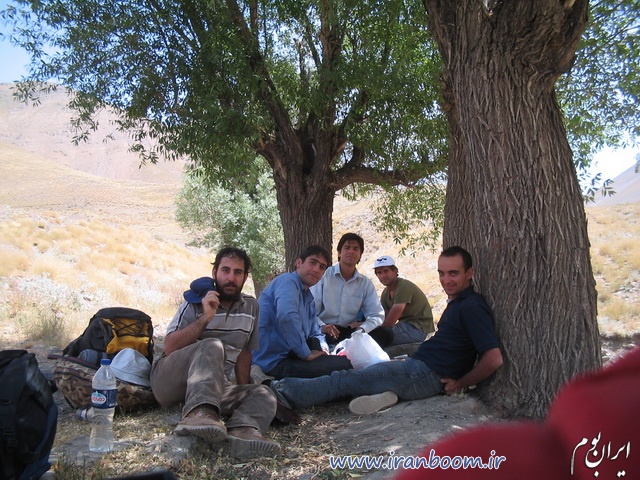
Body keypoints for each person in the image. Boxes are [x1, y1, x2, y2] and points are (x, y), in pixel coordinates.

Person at [270, 246, 504, 416]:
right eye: (441, 273)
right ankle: (387, 393)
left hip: (424, 375)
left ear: (469, 273)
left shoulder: (472, 306)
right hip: (418, 368)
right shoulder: (460, 303)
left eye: (453, 273)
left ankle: (282, 393)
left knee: (345, 379)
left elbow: (494, 358)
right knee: (367, 372)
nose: (446, 280)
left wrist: (460, 384)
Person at [149, 247, 281, 459]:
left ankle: (243, 431)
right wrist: (205, 318)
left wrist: (244, 391)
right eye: (225, 270)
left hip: (213, 388)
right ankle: (199, 413)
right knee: (212, 346)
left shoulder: (251, 307)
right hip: (169, 381)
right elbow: (170, 347)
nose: (231, 278)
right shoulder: (196, 302)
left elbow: (244, 354)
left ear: (245, 277)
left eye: (238, 272)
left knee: (263, 393)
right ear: (215, 273)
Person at [252, 246, 353, 379]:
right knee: (344, 364)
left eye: (322, 267)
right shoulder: (287, 281)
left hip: (290, 353)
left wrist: (321, 348)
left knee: (344, 358)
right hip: (272, 361)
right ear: (299, 263)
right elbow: (287, 317)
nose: (316, 269)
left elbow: (313, 331)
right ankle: (272, 383)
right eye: (313, 262)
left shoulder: (307, 297)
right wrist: (307, 355)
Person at [311, 233, 390, 348]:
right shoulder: (324, 276)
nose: (351, 251)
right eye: (347, 248)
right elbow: (310, 310)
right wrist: (323, 326)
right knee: (314, 339)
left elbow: (377, 314)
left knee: (386, 334)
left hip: (349, 332)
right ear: (339, 252)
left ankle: (351, 347)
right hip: (324, 329)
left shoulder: (365, 283)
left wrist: (362, 329)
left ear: (360, 255)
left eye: (355, 249)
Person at [373, 255, 435, 346]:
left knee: (377, 337)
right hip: (403, 326)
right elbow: (382, 317)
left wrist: (374, 331)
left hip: (417, 328)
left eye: (386, 271)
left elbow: (390, 321)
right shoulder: (385, 293)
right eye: (379, 273)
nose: (383, 276)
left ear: (395, 271)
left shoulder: (403, 286)